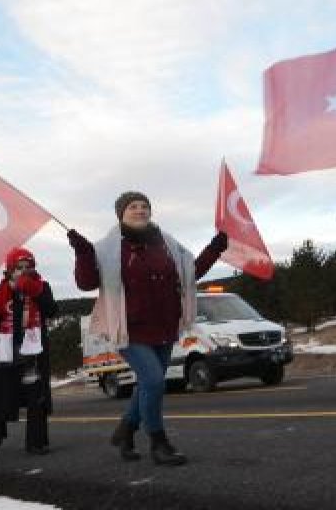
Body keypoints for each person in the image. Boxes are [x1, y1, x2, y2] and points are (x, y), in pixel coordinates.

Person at [69, 191, 228, 466]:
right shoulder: (108, 248)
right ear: (121, 213)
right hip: (129, 328)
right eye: (133, 206)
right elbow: (87, 282)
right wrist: (83, 253)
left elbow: (191, 273)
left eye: (145, 206)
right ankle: (159, 442)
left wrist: (215, 248)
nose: (140, 210)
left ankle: (126, 431)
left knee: (147, 384)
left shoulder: (166, 244)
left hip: (165, 324)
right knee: (154, 381)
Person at [0, 248, 59, 456]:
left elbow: (52, 310)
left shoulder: (42, 286)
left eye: (28, 267)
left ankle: (36, 442)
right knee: (4, 393)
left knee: (36, 396)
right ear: (10, 269)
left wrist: (35, 291)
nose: (23, 271)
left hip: (34, 351)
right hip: (7, 351)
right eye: (19, 267)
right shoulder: (0, 289)